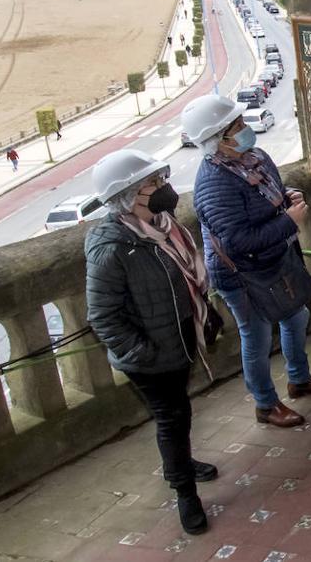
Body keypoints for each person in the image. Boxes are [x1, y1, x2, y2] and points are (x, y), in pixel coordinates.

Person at [183, 95, 311, 428]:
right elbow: (237, 241)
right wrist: (289, 221)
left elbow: (268, 196)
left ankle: (299, 379)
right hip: (240, 274)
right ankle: (266, 404)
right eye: (235, 127)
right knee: (256, 336)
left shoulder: (254, 158)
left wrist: (287, 197)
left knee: (297, 317)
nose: (245, 129)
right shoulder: (214, 183)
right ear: (218, 142)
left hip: (273, 260)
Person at [86, 149, 217, 536]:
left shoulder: (164, 225)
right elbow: (103, 317)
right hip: (152, 356)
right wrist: (145, 353)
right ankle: (184, 491)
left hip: (178, 339)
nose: (164, 189)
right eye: (152, 184)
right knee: (172, 419)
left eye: (161, 180)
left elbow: (184, 279)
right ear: (128, 196)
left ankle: (182, 465)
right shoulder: (112, 247)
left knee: (179, 415)